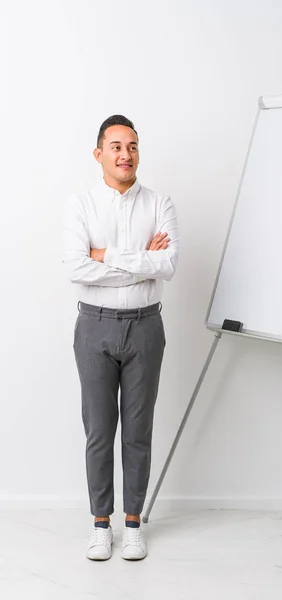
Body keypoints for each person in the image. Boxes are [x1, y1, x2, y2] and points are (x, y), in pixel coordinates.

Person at [63, 115, 179, 561]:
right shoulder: (81, 205)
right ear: (100, 154)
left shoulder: (159, 203)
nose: (125, 154)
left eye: (132, 146)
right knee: (98, 430)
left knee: (138, 430)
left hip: (147, 326)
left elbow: (167, 264)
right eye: (115, 146)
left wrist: (105, 256)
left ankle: (132, 525)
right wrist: (138, 261)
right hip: (94, 326)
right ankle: (100, 524)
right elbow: (76, 268)